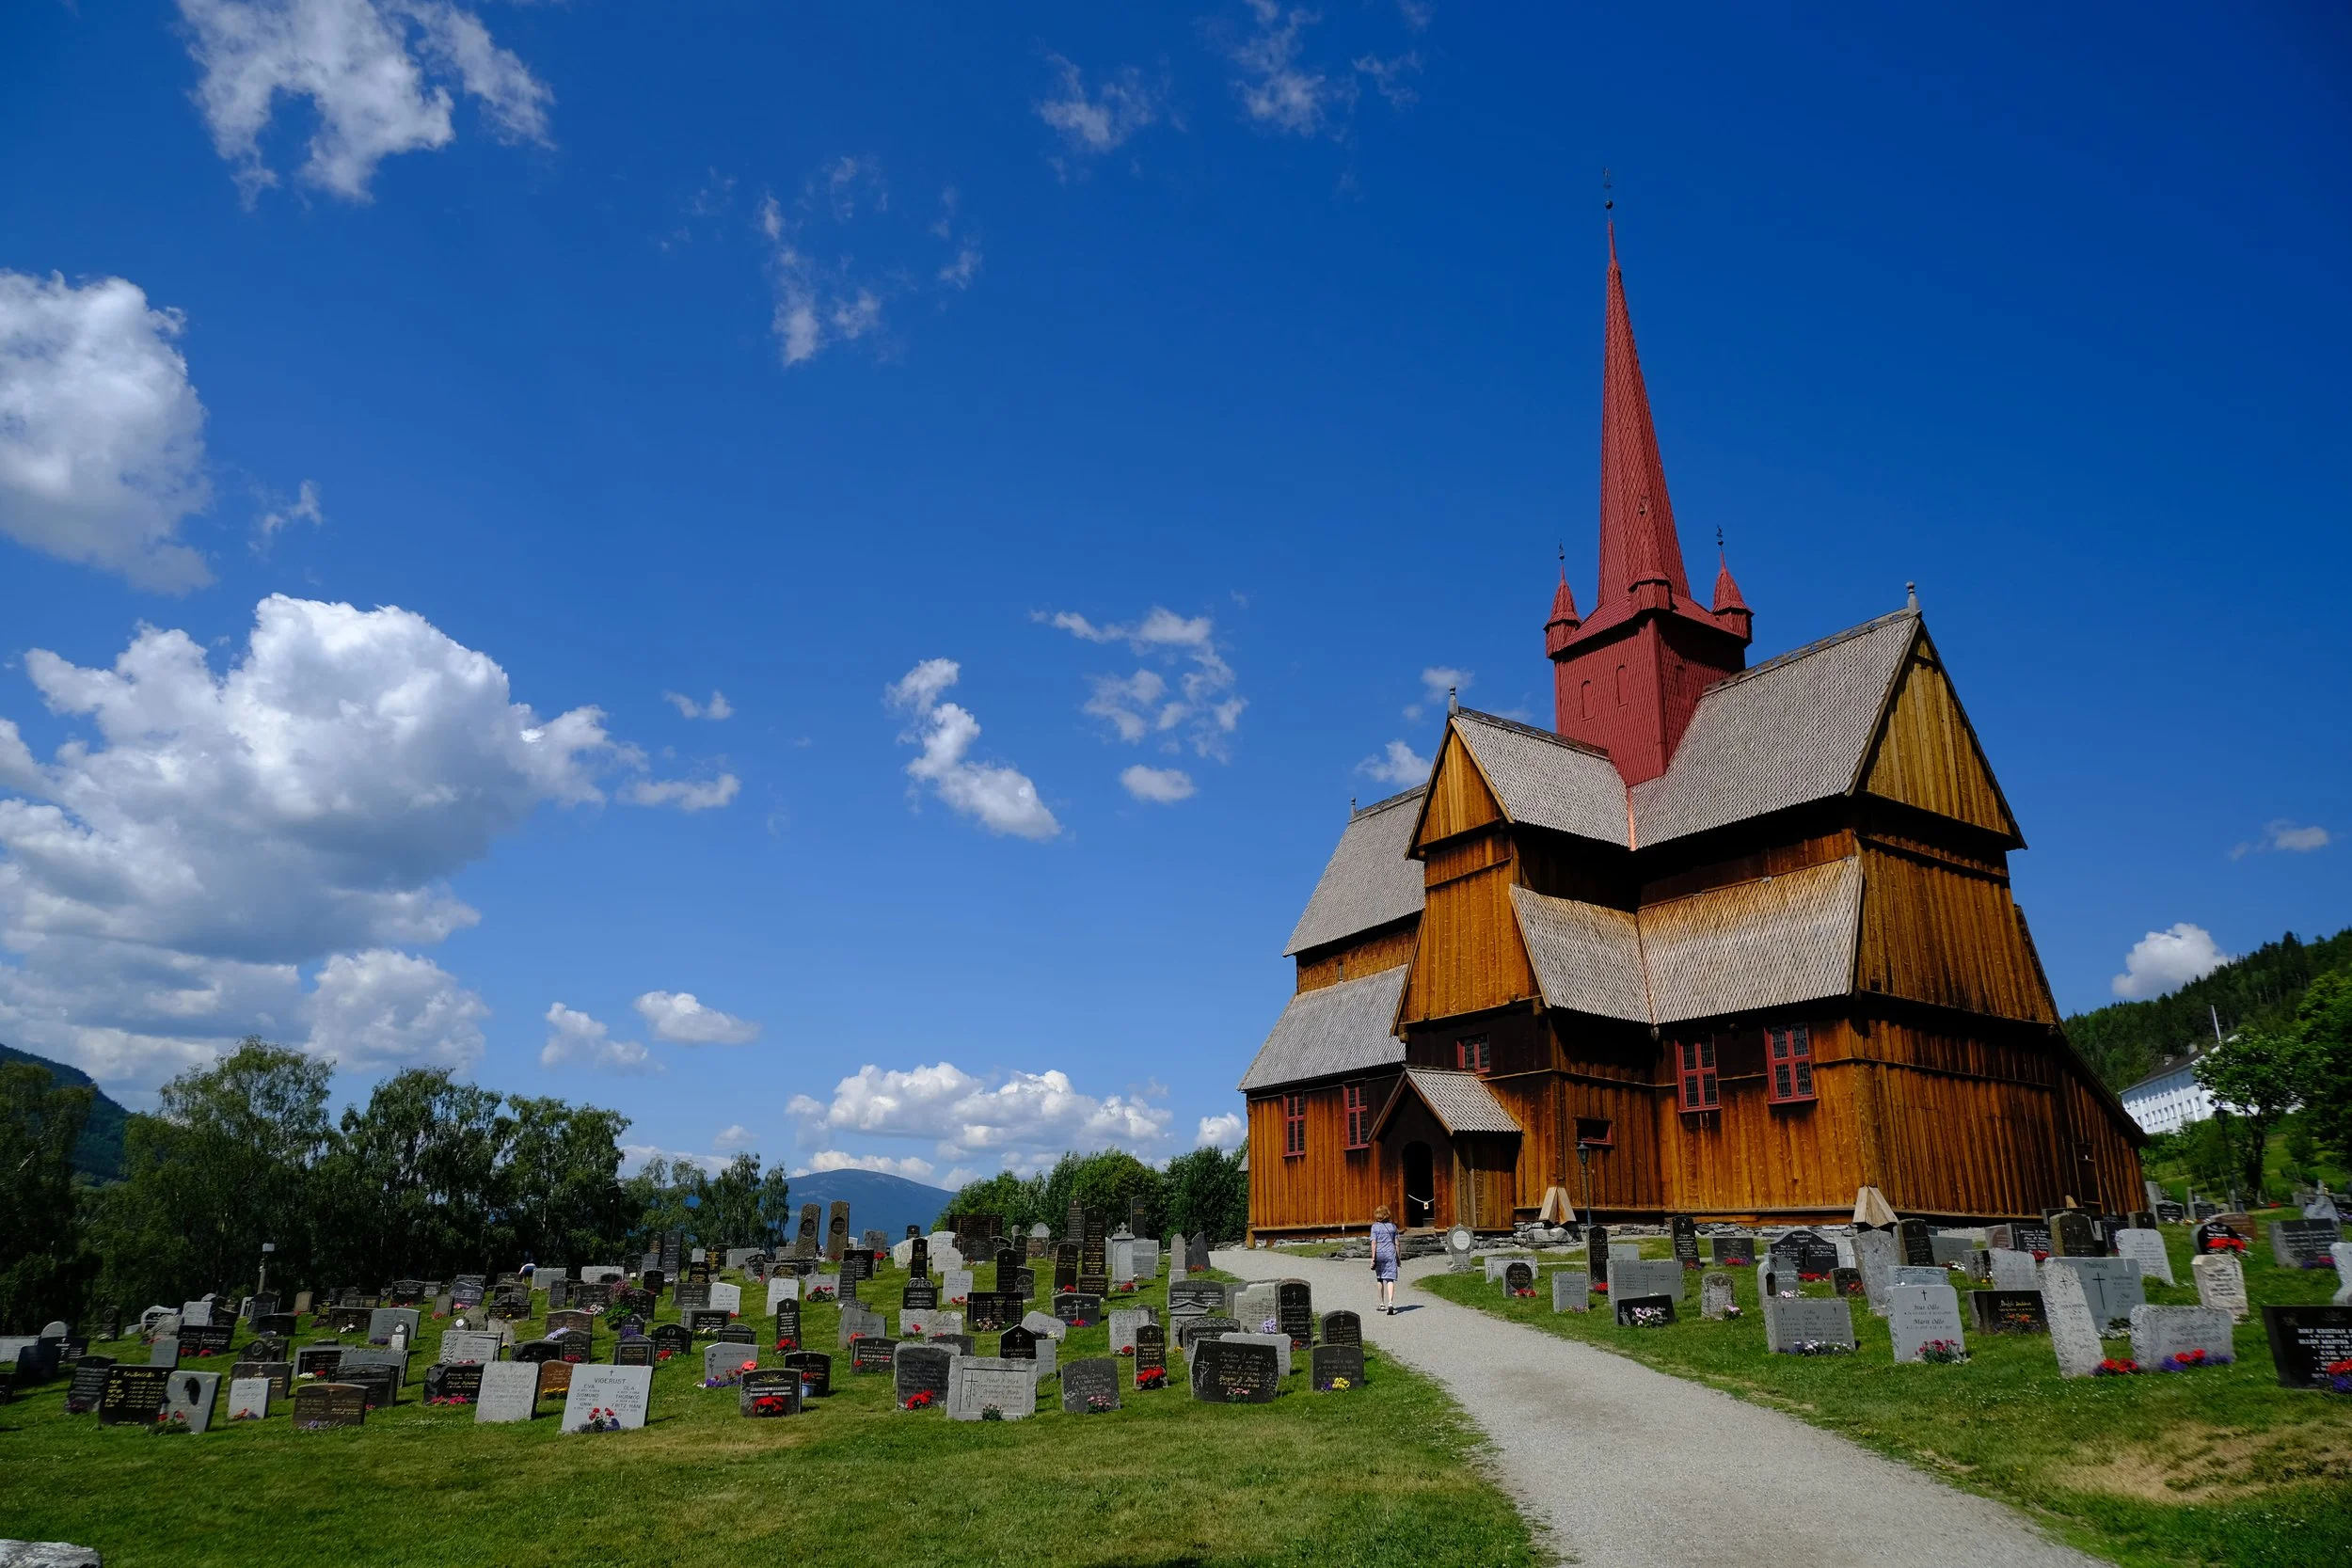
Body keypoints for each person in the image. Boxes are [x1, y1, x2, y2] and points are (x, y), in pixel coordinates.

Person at [1370, 1205, 1401, 1314]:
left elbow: (1373, 1243)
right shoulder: (1393, 1227)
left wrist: (1373, 1258)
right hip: (1390, 1253)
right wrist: (1398, 1257)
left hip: (1379, 1253)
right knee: (1390, 1279)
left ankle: (1382, 1303)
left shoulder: (1374, 1227)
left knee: (1380, 1278)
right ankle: (1390, 1303)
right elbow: (1397, 1243)